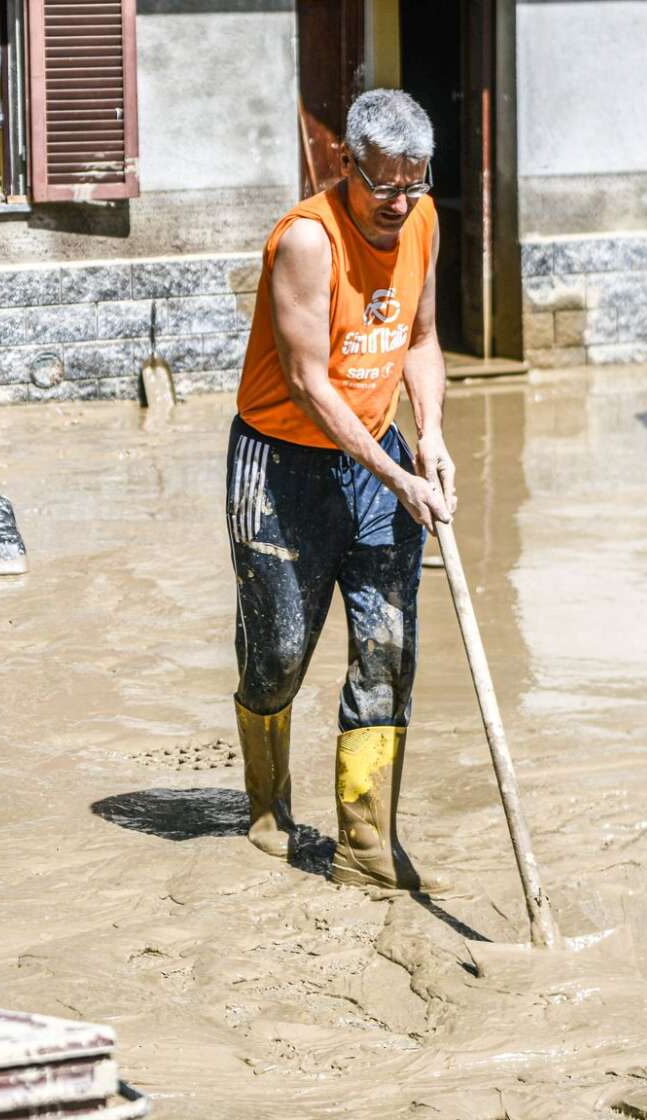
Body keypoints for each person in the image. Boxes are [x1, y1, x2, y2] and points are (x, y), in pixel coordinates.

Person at [226, 89, 455, 892]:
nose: (399, 203)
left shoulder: (423, 222)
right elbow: (308, 385)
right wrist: (395, 474)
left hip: (379, 458)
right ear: (345, 165)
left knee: (387, 653)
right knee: (281, 652)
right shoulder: (306, 242)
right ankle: (266, 806)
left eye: (414, 183)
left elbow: (422, 342)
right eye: (383, 184)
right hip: (282, 463)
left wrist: (427, 436)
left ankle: (364, 846)